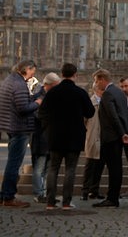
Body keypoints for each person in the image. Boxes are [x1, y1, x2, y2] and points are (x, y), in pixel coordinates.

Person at [38, 63, 95, 210]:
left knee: (53, 168)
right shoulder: (80, 92)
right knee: (70, 169)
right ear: (75, 75)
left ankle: (50, 202)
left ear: (62, 74)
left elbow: (42, 113)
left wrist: (47, 129)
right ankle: (66, 202)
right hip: (74, 136)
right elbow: (90, 112)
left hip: (55, 135)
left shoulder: (52, 92)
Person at [0, 60, 42, 208]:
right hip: (19, 127)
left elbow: (19, 101)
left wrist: (34, 96)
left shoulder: (10, 80)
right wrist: (38, 102)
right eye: (32, 72)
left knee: (12, 162)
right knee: (14, 164)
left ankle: (4, 195)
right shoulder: (19, 84)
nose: (33, 75)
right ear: (26, 69)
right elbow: (23, 108)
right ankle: (9, 197)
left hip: (11, 126)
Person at [91, 69, 128, 208]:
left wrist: (122, 133)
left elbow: (114, 115)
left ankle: (112, 198)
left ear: (102, 79)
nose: (96, 84)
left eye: (96, 81)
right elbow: (126, 114)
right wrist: (125, 131)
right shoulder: (119, 92)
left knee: (114, 168)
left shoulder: (108, 94)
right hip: (117, 136)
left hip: (111, 136)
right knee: (117, 167)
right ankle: (113, 197)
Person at [31, 72, 61, 203]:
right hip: (41, 137)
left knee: (48, 168)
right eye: (55, 86)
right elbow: (38, 116)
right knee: (39, 167)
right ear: (48, 85)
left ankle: (47, 193)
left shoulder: (50, 96)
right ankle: (39, 194)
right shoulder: (39, 96)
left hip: (50, 137)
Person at [81, 83, 105, 201]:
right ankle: (85, 191)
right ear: (96, 90)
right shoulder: (90, 102)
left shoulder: (105, 102)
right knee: (90, 165)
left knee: (99, 166)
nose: (103, 91)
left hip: (103, 137)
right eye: (101, 89)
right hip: (92, 135)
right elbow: (84, 120)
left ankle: (94, 190)